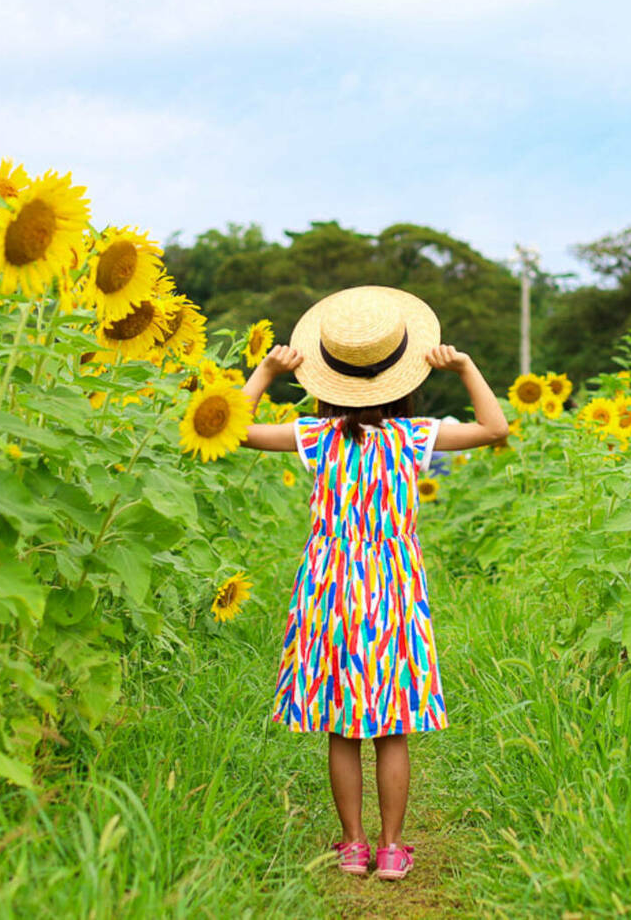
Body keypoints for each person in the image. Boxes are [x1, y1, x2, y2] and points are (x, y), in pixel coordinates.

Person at [239, 285, 510, 881]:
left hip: (328, 587)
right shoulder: (414, 439)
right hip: (392, 588)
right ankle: (392, 849)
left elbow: (232, 429)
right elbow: (495, 428)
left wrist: (262, 371)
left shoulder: (313, 437)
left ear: (327, 375)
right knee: (390, 727)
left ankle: (353, 846)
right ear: (404, 375)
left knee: (341, 727)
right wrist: (465, 367)